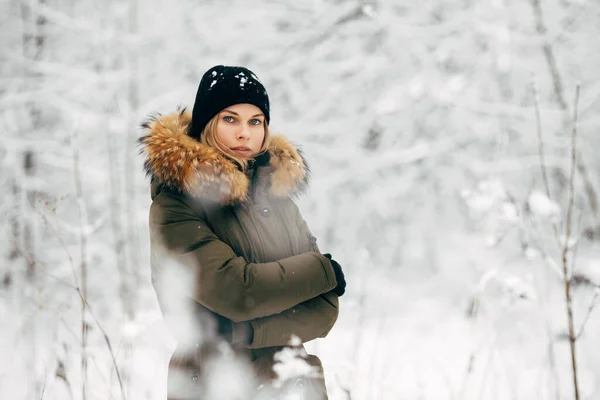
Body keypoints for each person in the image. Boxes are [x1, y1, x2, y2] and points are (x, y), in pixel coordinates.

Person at [139, 65, 347, 400]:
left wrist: (246, 329)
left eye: (255, 122)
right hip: (213, 383)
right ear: (208, 123)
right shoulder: (176, 205)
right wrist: (323, 271)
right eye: (230, 119)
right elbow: (237, 291)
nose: (244, 133)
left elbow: (324, 310)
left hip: (292, 383)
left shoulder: (281, 203)